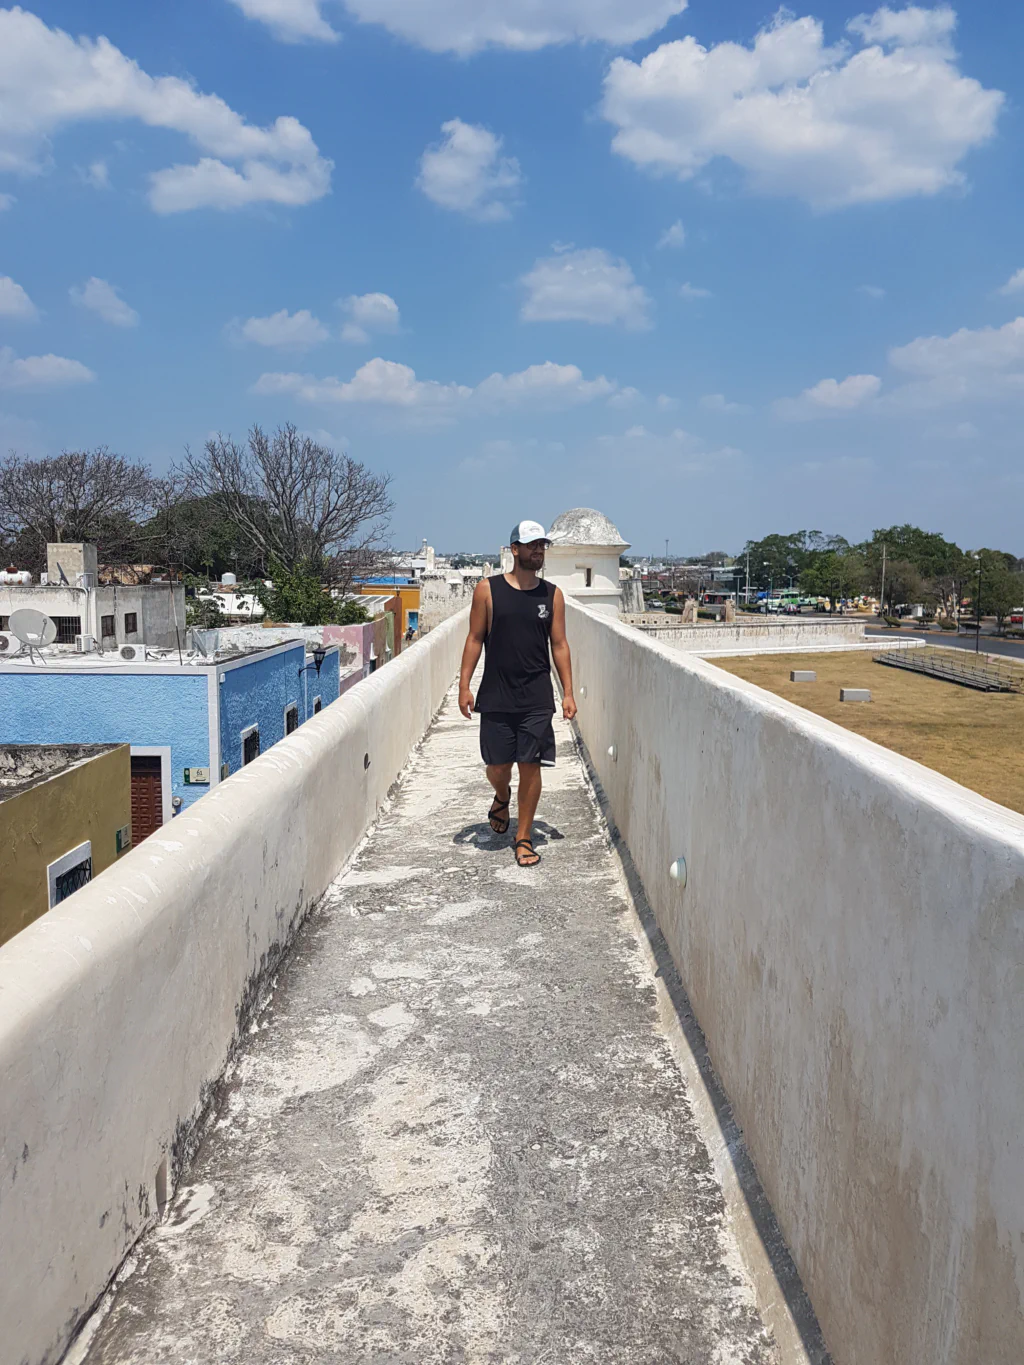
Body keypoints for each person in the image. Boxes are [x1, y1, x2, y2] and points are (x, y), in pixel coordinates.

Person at [459, 520, 577, 868]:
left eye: (542, 544)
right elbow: (474, 639)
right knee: (498, 766)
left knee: (531, 765)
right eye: (531, 545)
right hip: (496, 693)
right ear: (515, 549)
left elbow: (559, 644)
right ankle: (501, 795)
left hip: (536, 697)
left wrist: (568, 692)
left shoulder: (552, 595)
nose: (538, 550)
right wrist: (465, 685)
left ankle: (523, 837)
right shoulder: (487, 590)